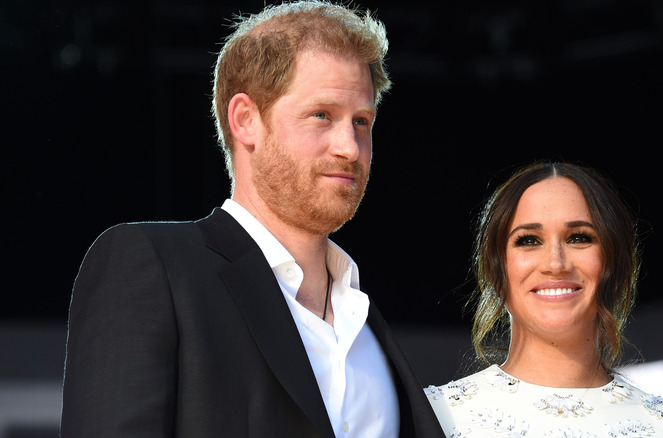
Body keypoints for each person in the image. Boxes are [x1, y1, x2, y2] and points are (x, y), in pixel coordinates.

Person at [60, 2, 444, 437]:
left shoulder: (368, 324)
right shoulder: (152, 266)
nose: (350, 148)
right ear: (246, 120)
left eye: (361, 121)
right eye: (322, 115)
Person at [425, 161, 663, 438]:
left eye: (579, 237)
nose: (555, 263)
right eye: (529, 241)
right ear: (496, 269)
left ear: (614, 263)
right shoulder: (429, 417)